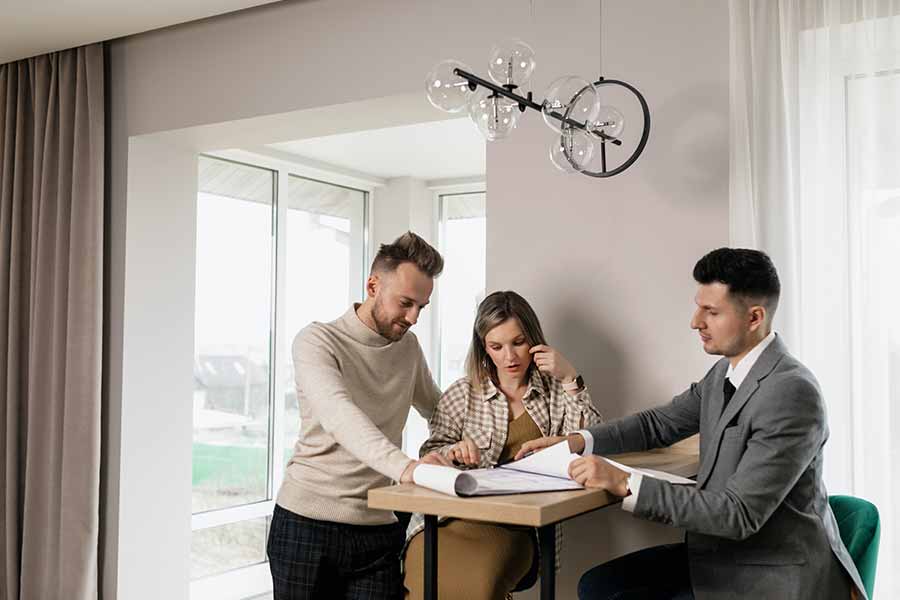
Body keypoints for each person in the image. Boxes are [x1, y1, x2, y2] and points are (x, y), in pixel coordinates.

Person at [516, 248, 867, 600]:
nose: (695, 321)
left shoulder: (791, 393)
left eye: (711, 312)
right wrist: (577, 441)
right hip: (721, 555)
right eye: (699, 307)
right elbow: (659, 424)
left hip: (768, 576)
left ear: (754, 318)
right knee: (597, 586)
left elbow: (738, 514)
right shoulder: (726, 372)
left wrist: (623, 482)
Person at [267, 231, 452, 600]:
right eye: (405, 303)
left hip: (379, 528)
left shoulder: (408, 347)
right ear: (372, 286)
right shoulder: (317, 341)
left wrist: (464, 443)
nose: (413, 317)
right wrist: (408, 468)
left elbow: (440, 409)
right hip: (306, 525)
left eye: (421, 307)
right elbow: (340, 415)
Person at [403, 290, 603, 600]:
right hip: (448, 519)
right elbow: (429, 455)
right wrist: (451, 454)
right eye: (496, 347)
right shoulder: (462, 394)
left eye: (518, 342)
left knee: (478, 586)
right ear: (484, 348)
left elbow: (595, 442)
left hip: (519, 526)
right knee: (422, 583)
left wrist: (570, 378)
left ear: (534, 340)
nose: (510, 357)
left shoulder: (555, 392)